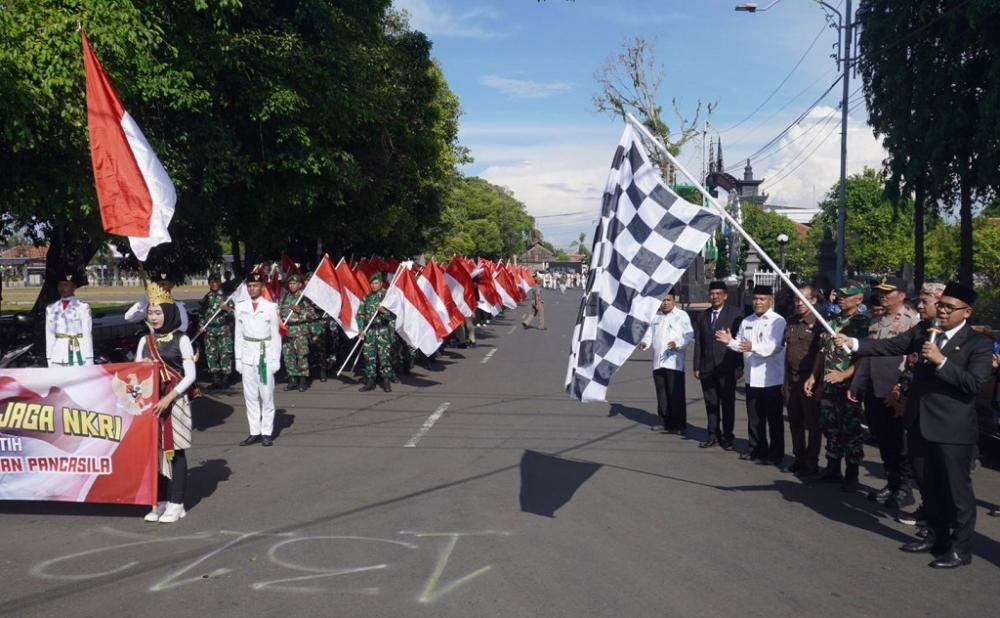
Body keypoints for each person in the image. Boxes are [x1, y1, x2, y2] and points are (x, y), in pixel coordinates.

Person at [835, 282, 992, 569]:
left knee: (956, 491)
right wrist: (853, 343)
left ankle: (961, 547)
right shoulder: (923, 332)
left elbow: (973, 385)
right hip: (919, 422)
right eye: (940, 305)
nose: (941, 311)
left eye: (948, 307)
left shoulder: (977, 344)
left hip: (952, 430)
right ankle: (935, 535)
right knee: (928, 485)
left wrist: (941, 361)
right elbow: (888, 345)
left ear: (966, 312)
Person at [850, 275, 920, 508]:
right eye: (880, 292)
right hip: (875, 386)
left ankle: (904, 488)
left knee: (901, 441)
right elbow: (869, 356)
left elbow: (912, 359)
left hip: (896, 389)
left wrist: (901, 387)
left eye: (887, 293)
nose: (882, 296)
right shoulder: (876, 321)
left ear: (901, 296)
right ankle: (891, 482)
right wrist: (857, 383)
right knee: (883, 438)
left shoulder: (912, 322)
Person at [137, 283, 196, 523]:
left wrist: (169, 398)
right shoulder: (145, 342)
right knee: (155, 452)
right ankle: (159, 500)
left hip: (175, 402)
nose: (154, 317)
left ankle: (177, 502)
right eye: (151, 313)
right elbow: (138, 373)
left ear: (169, 313)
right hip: (152, 405)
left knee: (175, 452)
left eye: (158, 312)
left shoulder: (182, 339)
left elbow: (191, 375)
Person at [805, 281, 870, 491]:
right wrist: (814, 377)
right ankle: (832, 467)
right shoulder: (831, 322)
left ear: (859, 299)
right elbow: (822, 353)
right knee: (830, 425)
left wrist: (844, 375)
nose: (841, 299)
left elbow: (863, 357)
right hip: (828, 383)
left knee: (850, 428)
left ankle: (852, 473)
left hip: (850, 385)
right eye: (840, 295)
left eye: (847, 296)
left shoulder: (862, 324)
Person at [717, 285, 786, 466]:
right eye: (755, 299)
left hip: (771, 379)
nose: (758, 302)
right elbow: (740, 344)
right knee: (754, 418)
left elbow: (776, 347)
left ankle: (776, 454)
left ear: (770, 300)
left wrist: (752, 347)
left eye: (762, 299)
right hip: (751, 377)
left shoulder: (778, 321)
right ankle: (756, 449)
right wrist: (729, 342)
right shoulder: (746, 321)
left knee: (774, 419)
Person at [693, 281, 743, 449]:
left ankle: (728, 436)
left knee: (727, 403)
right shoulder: (702, 316)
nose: (714, 297)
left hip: (727, 367)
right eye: (712, 294)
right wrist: (696, 366)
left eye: (718, 294)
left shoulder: (735, 314)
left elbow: (739, 341)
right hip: (707, 368)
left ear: (725, 296)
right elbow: (699, 343)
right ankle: (712, 434)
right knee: (710, 403)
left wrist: (739, 366)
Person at [234, 271, 281, 447]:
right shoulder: (240, 307)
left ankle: (267, 432)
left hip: (265, 355)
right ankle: (254, 431)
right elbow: (238, 335)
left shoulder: (270, 307)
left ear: (262, 287)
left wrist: (276, 359)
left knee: (266, 394)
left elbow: (276, 335)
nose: (252, 288)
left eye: (255, 285)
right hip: (247, 355)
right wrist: (238, 359)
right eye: (250, 286)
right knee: (250, 396)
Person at [639, 290, 694, 435]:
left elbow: (689, 336)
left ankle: (679, 425)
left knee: (675, 394)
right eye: (663, 300)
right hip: (658, 362)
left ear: (674, 300)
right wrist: (645, 343)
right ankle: (666, 422)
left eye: (668, 300)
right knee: (662, 394)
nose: (665, 303)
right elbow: (649, 334)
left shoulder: (681, 316)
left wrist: (678, 344)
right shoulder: (656, 316)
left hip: (674, 362)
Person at [783, 285, 824, 477]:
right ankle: (799, 457)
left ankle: (812, 461)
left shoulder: (820, 323)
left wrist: (817, 381)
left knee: (812, 423)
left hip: (809, 378)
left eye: (804, 299)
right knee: (795, 421)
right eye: (797, 299)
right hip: (791, 378)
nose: (799, 303)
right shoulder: (791, 321)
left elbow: (822, 355)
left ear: (814, 300)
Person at [45, 272, 93, 367]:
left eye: (66, 285)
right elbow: (49, 334)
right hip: (57, 354)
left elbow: (87, 333)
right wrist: (49, 357)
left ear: (74, 287)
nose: (63, 288)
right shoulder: (51, 308)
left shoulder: (82, 307)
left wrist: (89, 358)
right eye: (60, 285)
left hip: (77, 354)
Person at [279, 273, 317, 392]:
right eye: (290, 283)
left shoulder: (304, 298)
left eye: (294, 283)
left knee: (302, 357)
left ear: (300, 285)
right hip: (287, 331)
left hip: (300, 332)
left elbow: (313, 315)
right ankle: (292, 380)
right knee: (288, 357)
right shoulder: (285, 298)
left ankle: (303, 380)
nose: (291, 285)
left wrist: (300, 311)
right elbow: (281, 312)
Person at [357, 273, 395, 392]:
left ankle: (386, 381)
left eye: (376, 283)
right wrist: (361, 329)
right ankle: (371, 381)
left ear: (381, 284)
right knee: (369, 357)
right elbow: (360, 315)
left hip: (382, 330)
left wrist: (383, 311)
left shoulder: (387, 297)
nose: (373, 285)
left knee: (384, 357)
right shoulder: (367, 298)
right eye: (372, 283)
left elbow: (394, 316)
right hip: (370, 331)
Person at [197, 273, 234, 389]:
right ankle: (216, 380)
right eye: (212, 282)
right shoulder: (206, 297)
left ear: (220, 282)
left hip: (223, 330)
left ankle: (225, 379)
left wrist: (226, 308)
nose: (214, 284)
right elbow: (201, 314)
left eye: (216, 281)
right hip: (210, 331)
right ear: (209, 284)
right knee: (211, 355)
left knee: (225, 354)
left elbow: (235, 313)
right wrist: (201, 325)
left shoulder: (226, 297)